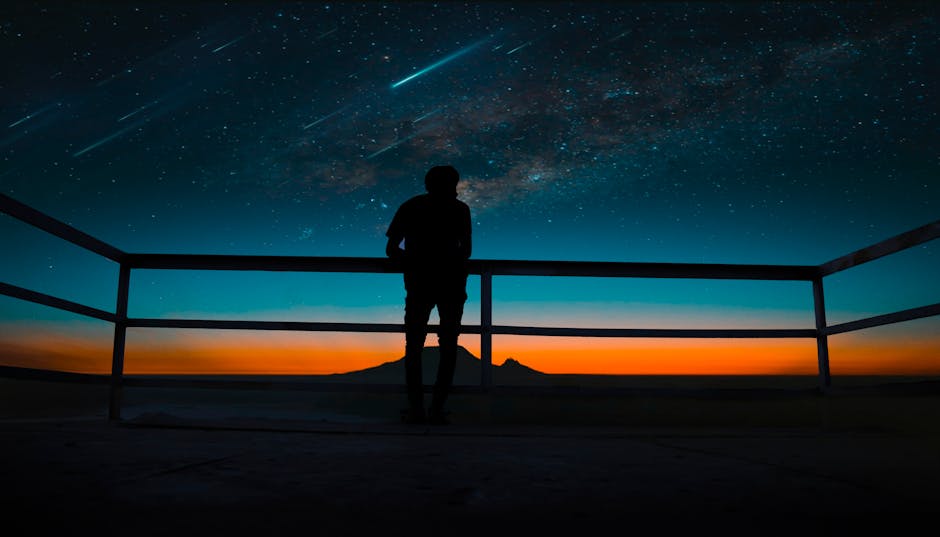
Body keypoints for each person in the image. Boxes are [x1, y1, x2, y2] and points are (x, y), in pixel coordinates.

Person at [385, 165, 472, 425]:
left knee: (414, 346)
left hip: (418, 284)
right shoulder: (460, 210)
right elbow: (465, 251)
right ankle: (437, 409)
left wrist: (415, 262)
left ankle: (417, 409)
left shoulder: (410, 207)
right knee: (448, 345)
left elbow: (391, 249)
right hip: (452, 285)